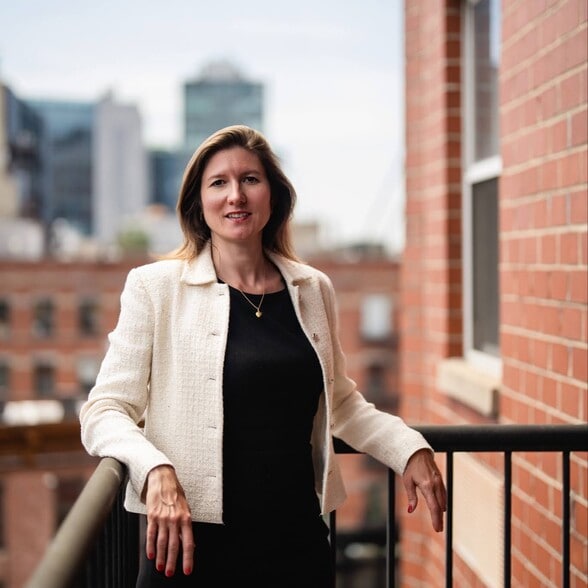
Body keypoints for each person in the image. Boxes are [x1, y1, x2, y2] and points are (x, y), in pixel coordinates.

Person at [80, 124, 447, 587]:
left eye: (250, 179)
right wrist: (155, 468)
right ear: (198, 202)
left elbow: (343, 404)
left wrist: (409, 448)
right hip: (190, 552)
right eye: (219, 183)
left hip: (295, 546)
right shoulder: (155, 288)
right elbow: (104, 410)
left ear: (273, 195)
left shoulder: (312, 289)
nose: (235, 195)